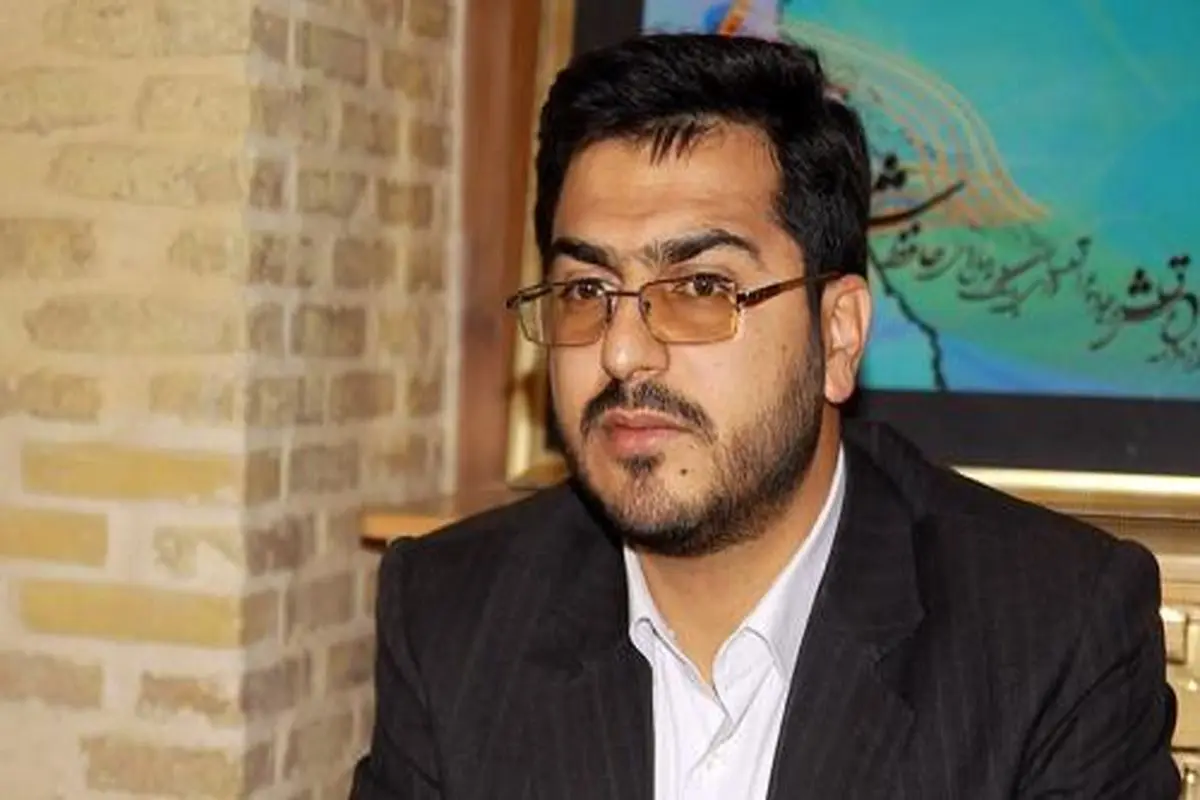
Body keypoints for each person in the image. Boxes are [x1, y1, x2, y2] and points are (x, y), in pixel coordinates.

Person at [350, 33, 1179, 799]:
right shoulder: (453, 615)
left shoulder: (1054, 635)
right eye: (586, 291)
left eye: (701, 288)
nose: (623, 351)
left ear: (838, 334)